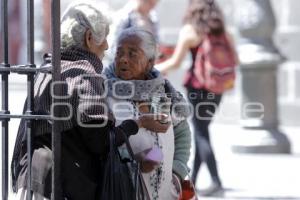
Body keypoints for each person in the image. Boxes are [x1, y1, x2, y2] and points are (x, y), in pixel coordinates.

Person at [11, 3, 163, 200]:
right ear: (89, 38)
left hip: (34, 181)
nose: (107, 46)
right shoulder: (85, 77)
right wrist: (136, 124)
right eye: (105, 38)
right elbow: (101, 142)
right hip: (63, 186)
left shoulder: (47, 70)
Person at [155, 0, 238, 196]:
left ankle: (216, 181)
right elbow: (236, 59)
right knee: (203, 130)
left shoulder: (191, 31)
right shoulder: (223, 32)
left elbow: (175, 63)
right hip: (218, 88)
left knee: (201, 133)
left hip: (197, 88)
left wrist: (150, 69)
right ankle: (191, 182)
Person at [104, 28, 192, 200]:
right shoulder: (105, 94)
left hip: (166, 193)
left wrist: (177, 173)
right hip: (122, 191)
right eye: (119, 52)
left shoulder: (163, 92)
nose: (123, 59)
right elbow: (102, 141)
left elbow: (182, 133)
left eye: (132, 54)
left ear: (150, 62)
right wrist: (134, 161)